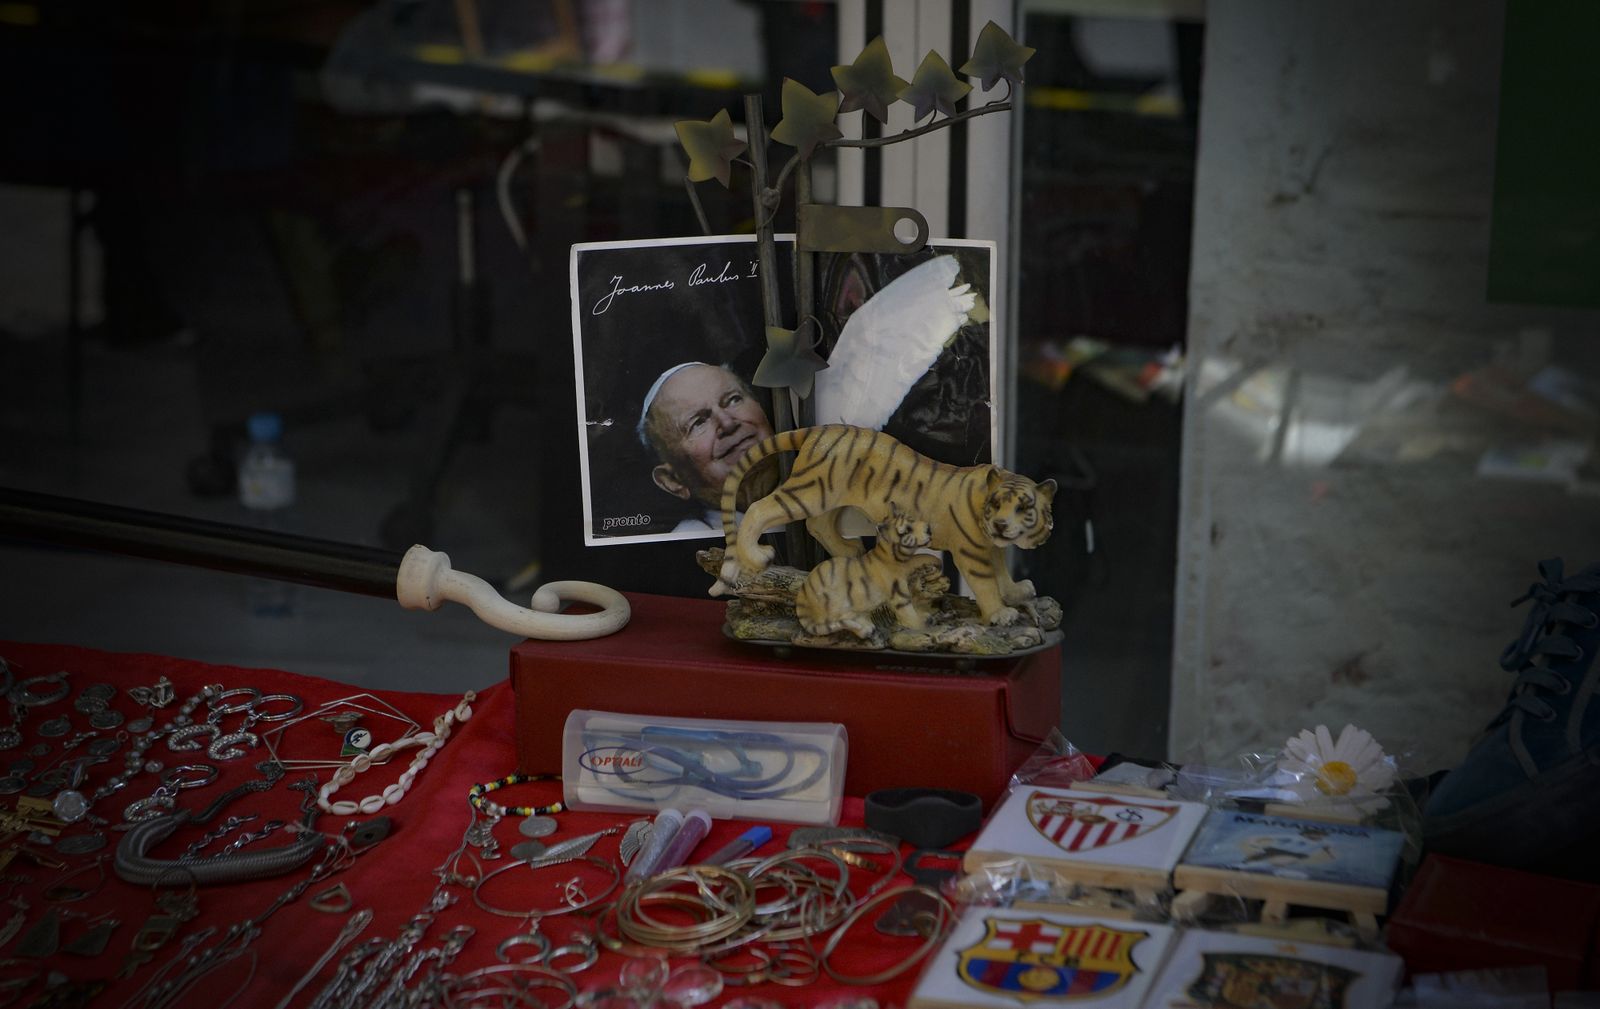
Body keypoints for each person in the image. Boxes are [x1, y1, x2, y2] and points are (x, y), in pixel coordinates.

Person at [636, 362, 773, 533]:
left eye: (734, 400)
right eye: (698, 423)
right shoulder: (688, 537)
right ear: (673, 480)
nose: (728, 423)